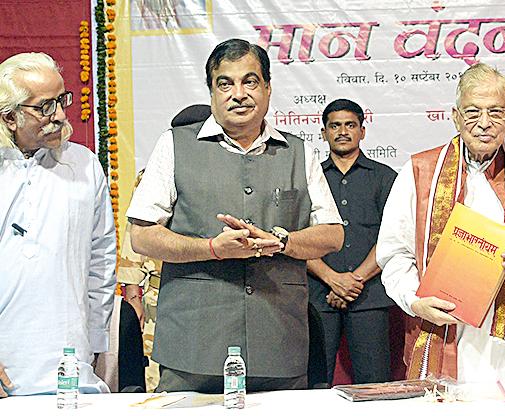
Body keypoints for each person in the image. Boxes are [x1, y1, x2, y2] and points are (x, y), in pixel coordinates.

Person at [126, 38, 343, 393]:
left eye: (250, 82)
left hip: (278, 342)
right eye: (225, 84)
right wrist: (212, 248)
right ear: (212, 92)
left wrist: (282, 241)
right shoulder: (175, 144)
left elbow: (333, 234)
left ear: (268, 88)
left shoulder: (298, 151)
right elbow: (142, 235)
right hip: (194, 345)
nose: (238, 94)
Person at [376, 63, 505, 383]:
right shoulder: (419, 171)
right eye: (473, 112)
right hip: (444, 333)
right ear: (455, 116)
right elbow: (394, 254)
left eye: (495, 112)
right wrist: (415, 301)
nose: (484, 123)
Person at [0, 52, 116, 396]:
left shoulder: (84, 165)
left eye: (62, 100)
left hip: (72, 370)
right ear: (10, 117)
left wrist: (96, 345)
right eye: (44, 107)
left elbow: (101, 262)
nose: (61, 116)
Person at [307, 99, 397, 385]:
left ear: (362, 131)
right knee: (314, 382)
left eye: (350, 125)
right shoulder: (310, 178)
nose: (343, 132)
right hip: (319, 295)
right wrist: (332, 279)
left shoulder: (385, 177)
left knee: (374, 383)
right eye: (335, 126)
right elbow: (295, 237)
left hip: (369, 294)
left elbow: (393, 237)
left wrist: (353, 281)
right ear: (324, 133)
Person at [118, 169, 162, 392]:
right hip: (159, 295)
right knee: (157, 380)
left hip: (214, 291)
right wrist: (133, 294)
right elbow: (134, 233)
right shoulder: (154, 174)